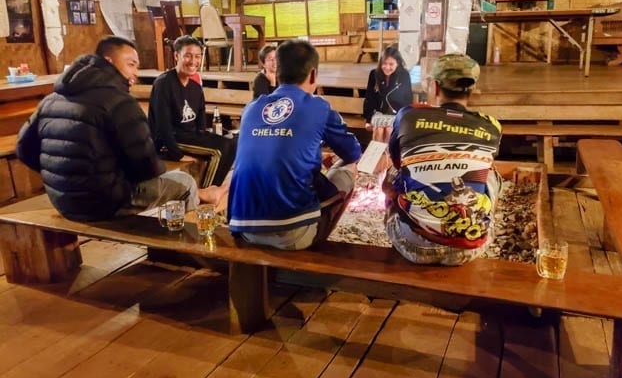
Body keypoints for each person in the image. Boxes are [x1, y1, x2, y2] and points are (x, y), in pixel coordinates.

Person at [15, 36, 225, 222]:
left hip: (63, 200)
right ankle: (180, 245)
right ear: (109, 61)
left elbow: (24, 150)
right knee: (185, 183)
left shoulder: (51, 100)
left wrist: (61, 177)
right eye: (131, 64)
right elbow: (146, 166)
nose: (135, 73)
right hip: (105, 201)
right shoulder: (119, 102)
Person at [228, 39, 362, 250]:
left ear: (277, 72)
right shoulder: (318, 107)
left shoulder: (251, 108)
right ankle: (317, 251)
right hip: (291, 234)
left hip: (244, 228)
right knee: (348, 169)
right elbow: (353, 151)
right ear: (313, 74)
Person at [382, 53, 503, 266]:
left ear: (435, 87)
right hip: (467, 250)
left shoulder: (408, 115)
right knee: (490, 172)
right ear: (472, 89)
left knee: (395, 172)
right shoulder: (491, 125)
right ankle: (479, 221)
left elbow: (396, 161)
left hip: (411, 246)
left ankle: (404, 219)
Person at [148, 35, 236, 186]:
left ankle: (214, 187)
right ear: (177, 55)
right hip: (170, 139)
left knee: (233, 142)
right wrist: (177, 154)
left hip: (190, 135)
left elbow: (200, 118)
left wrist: (207, 136)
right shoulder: (163, 84)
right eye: (188, 56)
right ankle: (206, 191)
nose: (193, 61)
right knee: (219, 149)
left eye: (197, 56)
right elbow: (162, 126)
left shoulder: (195, 87)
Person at [363, 45, 413, 142]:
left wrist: (404, 119)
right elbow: (369, 97)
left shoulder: (404, 75)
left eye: (391, 64)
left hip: (396, 114)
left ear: (397, 63)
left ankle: (388, 156)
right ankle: (377, 156)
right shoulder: (374, 74)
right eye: (384, 64)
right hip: (378, 113)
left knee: (390, 130)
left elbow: (408, 99)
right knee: (378, 130)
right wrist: (368, 120)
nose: (387, 67)